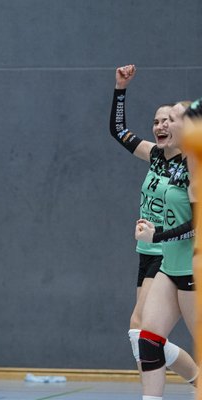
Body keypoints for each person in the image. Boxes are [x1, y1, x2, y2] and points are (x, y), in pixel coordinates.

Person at [110, 65, 198, 385]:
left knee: (141, 329)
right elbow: (119, 130)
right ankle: (190, 381)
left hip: (168, 250)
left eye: (167, 120)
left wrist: (158, 235)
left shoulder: (190, 164)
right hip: (146, 250)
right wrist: (120, 89)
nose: (160, 126)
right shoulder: (156, 155)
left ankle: (193, 380)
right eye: (156, 121)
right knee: (143, 333)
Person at [134, 98, 196, 399]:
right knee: (147, 339)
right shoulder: (172, 163)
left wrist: (157, 236)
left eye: (174, 118)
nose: (166, 124)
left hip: (193, 269)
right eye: (164, 119)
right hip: (170, 266)